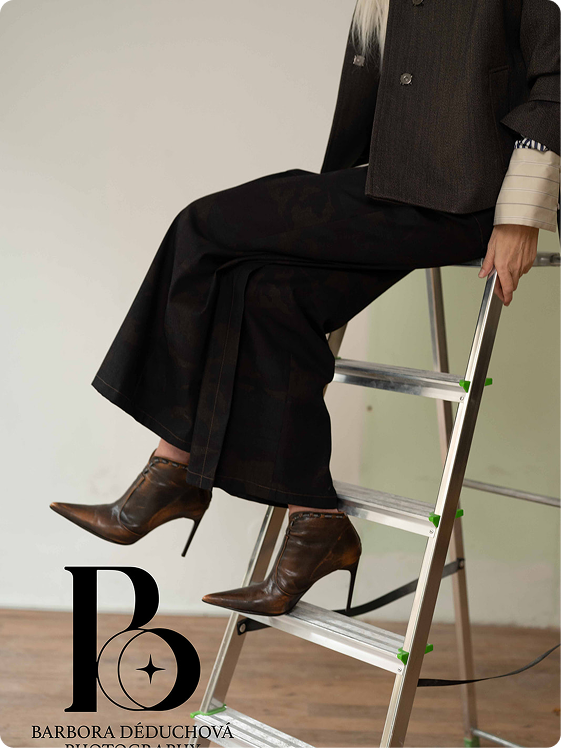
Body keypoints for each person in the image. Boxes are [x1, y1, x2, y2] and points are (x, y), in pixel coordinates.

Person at [50, 0, 561, 617]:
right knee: (267, 295)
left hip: (472, 195)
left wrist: (520, 213)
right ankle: (315, 520)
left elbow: (556, 79)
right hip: (394, 183)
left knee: (201, 225)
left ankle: (175, 466)